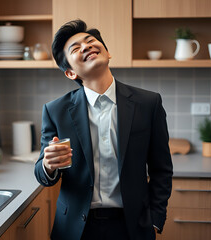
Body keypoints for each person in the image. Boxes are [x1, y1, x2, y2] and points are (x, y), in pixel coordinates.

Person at [34, 19, 173, 240]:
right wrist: (48, 165)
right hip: (75, 229)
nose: (86, 46)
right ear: (70, 73)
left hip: (132, 226)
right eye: (76, 48)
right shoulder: (55, 111)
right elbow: (42, 175)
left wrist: (155, 219)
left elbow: (161, 169)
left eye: (90, 41)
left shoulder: (148, 103)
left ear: (107, 53)